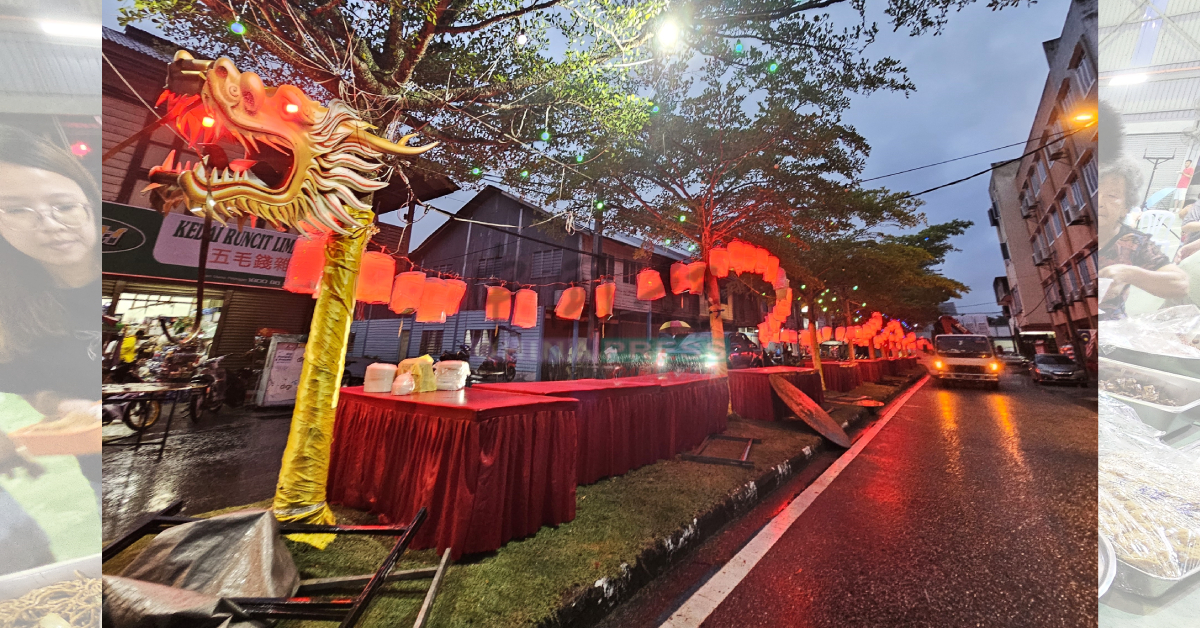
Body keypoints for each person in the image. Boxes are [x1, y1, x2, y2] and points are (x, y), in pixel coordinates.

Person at [0, 126, 102, 574]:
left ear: (89, 203)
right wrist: (63, 404)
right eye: (17, 210)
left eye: (62, 206)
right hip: (95, 465)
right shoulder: (12, 304)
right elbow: (26, 384)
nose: (49, 224)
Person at [1098, 158, 1189, 319]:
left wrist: (1129, 273)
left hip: (1109, 330)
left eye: (1112, 195)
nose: (1099, 202)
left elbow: (1180, 284)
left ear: (1126, 207)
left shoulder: (1133, 241)